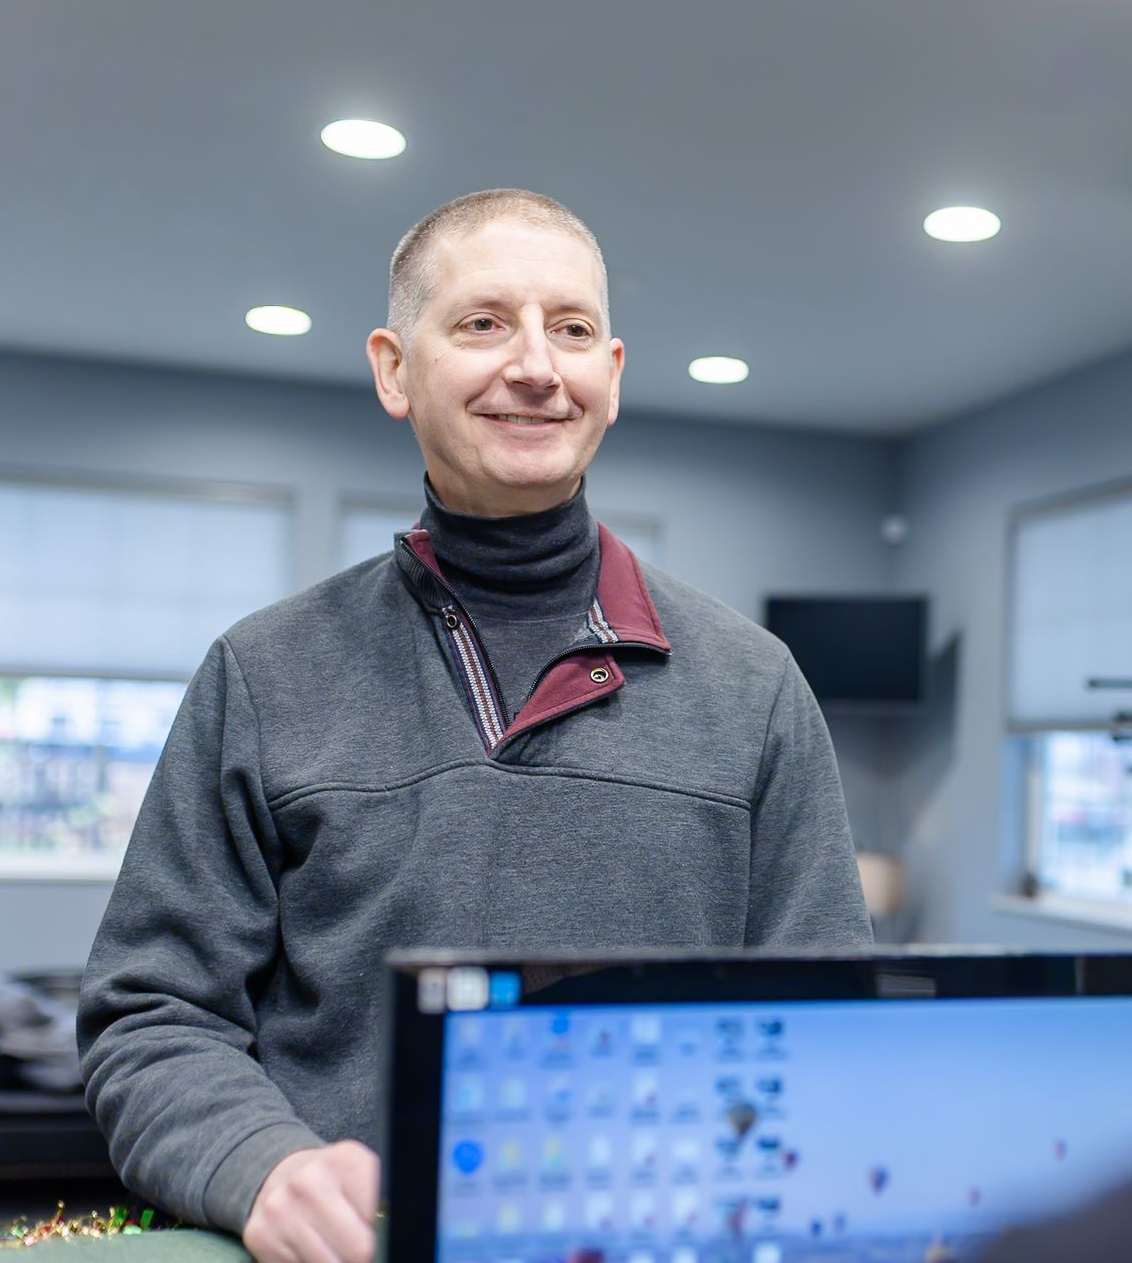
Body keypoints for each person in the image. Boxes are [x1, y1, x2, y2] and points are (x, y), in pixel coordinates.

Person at [78, 189, 872, 1263]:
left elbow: (826, 1034)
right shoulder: (264, 673)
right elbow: (150, 1012)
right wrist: (258, 1162)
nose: (538, 366)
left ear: (613, 378)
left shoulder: (755, 688)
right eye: (484, 322)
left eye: (574, 329)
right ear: (395, 369)